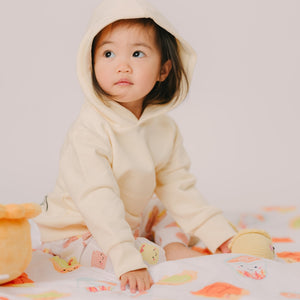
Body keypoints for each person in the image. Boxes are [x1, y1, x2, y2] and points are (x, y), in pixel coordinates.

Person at [35, 0, 236, 294]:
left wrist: (223, 237)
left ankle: (175, 245)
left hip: (128, 219)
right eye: (108, 53)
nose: (122, 65)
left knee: (165, 208)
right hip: (79, 230)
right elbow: (98, 199)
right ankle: (157, 251)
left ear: (163, 70)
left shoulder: (163, 129)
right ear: (90, 64)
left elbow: (180, 189)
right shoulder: (88, 130)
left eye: (138, 53)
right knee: (139, 253)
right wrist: (126, 257)